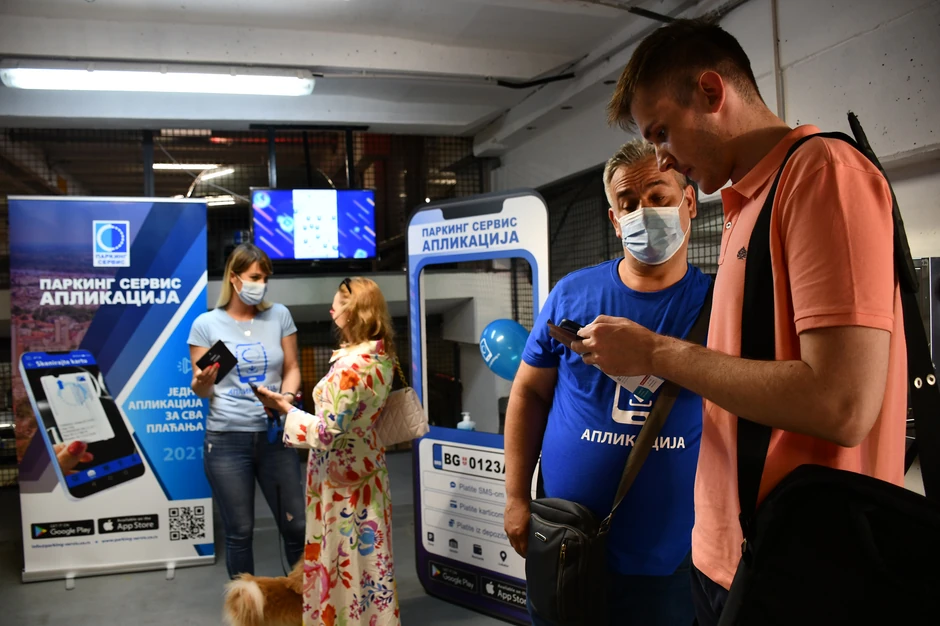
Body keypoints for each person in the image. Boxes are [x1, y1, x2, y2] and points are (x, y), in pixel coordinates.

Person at [584, 18, 906, 625]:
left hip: (805, 568)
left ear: (711, 92)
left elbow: (842, 403)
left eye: (662, 132)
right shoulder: (744, 206)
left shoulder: (822, 174)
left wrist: (656, 353)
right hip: (729, 556)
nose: (662, 157)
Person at [503, 139, 711, 626]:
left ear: (689, 201)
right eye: (628, 203)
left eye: (658, 196)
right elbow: (529, 392)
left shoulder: (718, 305)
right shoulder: (573, 295)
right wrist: (515, 497)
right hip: (565, 543)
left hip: (673, 556)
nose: (644, 212)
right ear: (615, 221)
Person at [254, 277, 400, 626]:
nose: (332, 311)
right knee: (370, 559)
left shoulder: (349, 367)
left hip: (340, 482)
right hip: (370, 470)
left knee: (339, 557)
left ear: (354, 311)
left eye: (337, 305)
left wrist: (285, 409)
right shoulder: (381, 357)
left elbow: (327, 432)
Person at [187, 243, 305, 579]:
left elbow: (292, 367)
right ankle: (246, 606)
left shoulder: (279, 315)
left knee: (296, 527)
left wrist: (284, 398)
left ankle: (305, 601)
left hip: (275, 436)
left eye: (265, 278)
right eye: (254, 277)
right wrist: (202, 382)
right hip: (226, 441)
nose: (261, 284)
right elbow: (202, 389)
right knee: (239, 532)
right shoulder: (206, 324)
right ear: (234, 277)